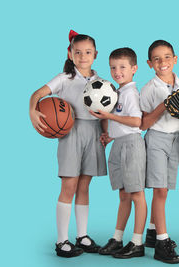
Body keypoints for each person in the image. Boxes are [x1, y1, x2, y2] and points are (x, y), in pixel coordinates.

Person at [29, 30, 107, 258]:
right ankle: (61, 240)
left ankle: (81, 236)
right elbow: (37, 94)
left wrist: (105, 133)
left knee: (84, 186)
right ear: (70, 53)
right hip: (70, 132)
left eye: (88, 52)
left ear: (95, 54)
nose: (83, 56)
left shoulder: (100, 81)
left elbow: (104, 112)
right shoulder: (64, 78)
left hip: (93, 133)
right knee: (69, 186)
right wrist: (32, 111)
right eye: (78, 52)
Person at [89, 47, 147, 259]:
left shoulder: (130, 92)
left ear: (134, 69)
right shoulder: (116, 92)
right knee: (123, 194)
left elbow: (136, 122)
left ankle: (137, 242)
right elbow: (123, 123)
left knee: (137, 194)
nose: (117, 71)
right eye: (113, 67)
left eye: (122, 67)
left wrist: (109, 118)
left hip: (132, 145)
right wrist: (110, 135)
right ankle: (118, 238)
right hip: (119, 144)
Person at [139, 40, 179, 264]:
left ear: (175, 59)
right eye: (156, 59)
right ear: (150, 63)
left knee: (166, 190)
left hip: (176, 140)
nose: (162, 62)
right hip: (156, 139)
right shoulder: (148, 89)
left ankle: (152, 231)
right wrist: (164, 106)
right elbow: (143, 124)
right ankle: (162, 244)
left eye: (167, 57)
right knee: (161, 191)